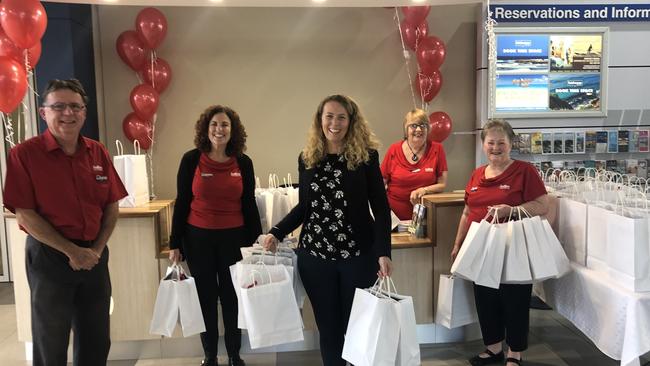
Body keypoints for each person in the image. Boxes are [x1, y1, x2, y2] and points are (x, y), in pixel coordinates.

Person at [3, 79, 128, 365]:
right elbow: (24, 213)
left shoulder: (98, 152)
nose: (68, 113)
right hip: (49, 257)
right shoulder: (24, 155)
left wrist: (95, 250)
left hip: (95, 257)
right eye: (58, 106)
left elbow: (111, 204)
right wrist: (72, 251)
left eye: (75, 106)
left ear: (84, 112)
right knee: (51, 340)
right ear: (42, 111)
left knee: (96, 338)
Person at [262, 94, 393, 366]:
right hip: (315, 257)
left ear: (351, 121)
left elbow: (380, 208)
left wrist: (383, 252)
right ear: (320, 121)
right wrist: (276, 231)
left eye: (341, 117)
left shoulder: (366, 157)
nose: (335, 123)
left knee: (355, 326)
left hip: (357, 256)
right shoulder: (308, 157)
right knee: (329, 330)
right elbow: (305, 207)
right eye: (329, 116)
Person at [168, 105, 262, 366]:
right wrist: (174, 242)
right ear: (206, 129)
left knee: (232, 298)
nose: (219, 130)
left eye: (224, 125)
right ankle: (209, 355)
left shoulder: (243, 162)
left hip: (234, 238)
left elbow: (249, 203)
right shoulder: (191, 160)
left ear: (233, 131)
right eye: (214, 125)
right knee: (205, 297)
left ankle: (234, 354)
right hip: (198, 239)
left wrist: (257, 241)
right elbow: (183, 201)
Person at [451, 119, 548, 366]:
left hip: (512, 247)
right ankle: (493, 349)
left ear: (511, 144)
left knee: (514, 300)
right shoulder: (476, 174)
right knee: (485, 299)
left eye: (501, 143)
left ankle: (515, 353)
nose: (495, 147)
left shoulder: (524, 171)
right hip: (480, 248)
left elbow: (542, 205)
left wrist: (511, 210)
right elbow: (466, 211)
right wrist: (458, 243)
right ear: (483, 144)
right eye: (490, 142)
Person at [381, 108, 448, 220]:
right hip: (394, 218)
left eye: (423, 125)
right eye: (413, 125)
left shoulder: (437, 149)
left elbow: (442, 185)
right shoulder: (393, 150)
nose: (418, 129)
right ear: (406, 129)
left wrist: (423, 190)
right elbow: (379, 184)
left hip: (425, 218)